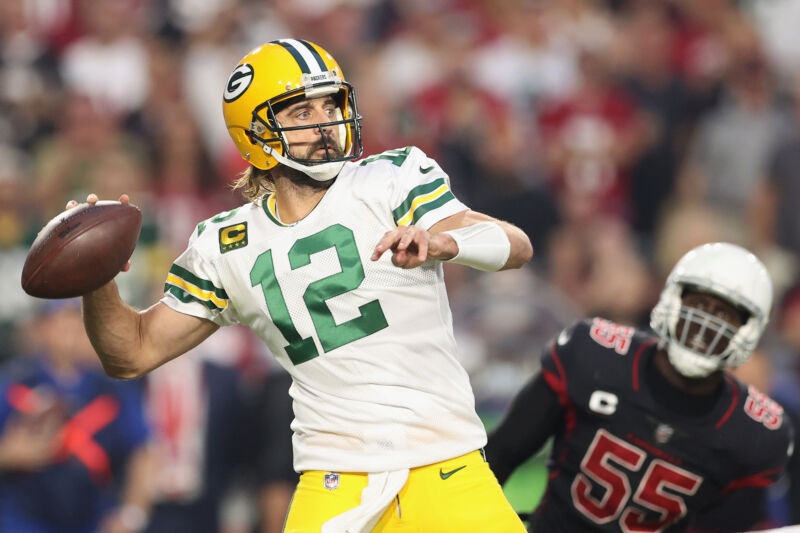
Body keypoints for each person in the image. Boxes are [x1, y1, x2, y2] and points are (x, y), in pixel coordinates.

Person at [72, 39, 532, 533]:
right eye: (301, 111)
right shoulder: (226, 244)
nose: (325, 123)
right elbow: (131, 353)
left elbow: (517, 245)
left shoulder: (391, 178)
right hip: (333, 480)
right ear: (255, 133)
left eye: (330, 104)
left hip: (446, 464)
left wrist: (444, 241)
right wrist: (96, 279)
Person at [486, 242, 794, 533]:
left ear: (748, 331)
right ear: (672, 300)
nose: (705, 325)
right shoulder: (594, 357)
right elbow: (497, 457)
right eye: (698, 305)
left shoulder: (754, 436)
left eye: (723, 314)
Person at [0, 299, 152, 533]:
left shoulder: (112, 388)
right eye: (60, 323)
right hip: (25, 519)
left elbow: (144, 452)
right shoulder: (13, 383)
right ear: (43, 327)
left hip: (94, 519)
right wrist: (9, 453)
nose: (69, 333)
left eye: (77, 323)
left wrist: (132, 515)